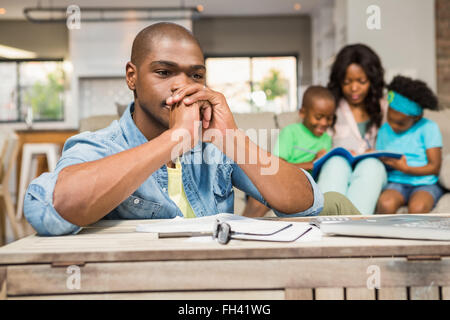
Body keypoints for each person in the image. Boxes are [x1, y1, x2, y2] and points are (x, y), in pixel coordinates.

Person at [24, 22, 325, 236]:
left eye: (196, 74)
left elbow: (305, 204)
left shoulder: (217, 149)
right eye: (164, 72)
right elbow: (51, 212)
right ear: (132, 77)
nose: (182, 85)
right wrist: (173, 139)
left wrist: (232, 138)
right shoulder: (101, 145)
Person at [242, 86, 361, 218]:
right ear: (303, 113)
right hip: (280, 181)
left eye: (329, 118)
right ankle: (238, 228)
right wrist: (311, 163)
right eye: (318, 117)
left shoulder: (326, 138)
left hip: (305, 187)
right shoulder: (290, 132)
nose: (324, 123)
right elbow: (277, 168)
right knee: (262, 199)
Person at [316, 44, 388, 214]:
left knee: (371, 164)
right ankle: (326, 223)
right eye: (347, 82)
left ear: (372, 80)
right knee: (335, 163)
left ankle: (354, 230)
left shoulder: (385, 108)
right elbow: (316, 140)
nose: (354, 88)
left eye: (361, 82)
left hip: (373, 169)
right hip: (338, 167)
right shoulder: (329, 107)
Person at [375, 76, 443, 214]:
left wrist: (406, 169)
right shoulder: (384, 130)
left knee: (418, 207)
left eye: (400, 123)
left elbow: (434, 167)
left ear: (416, 118)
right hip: (395, 182)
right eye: (390, 119)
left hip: (425, 183)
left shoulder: (429, 128)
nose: (393, 126)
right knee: (386, 204)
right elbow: (382, 159)